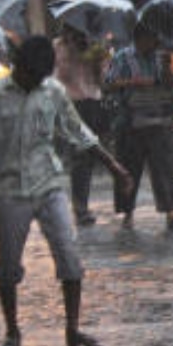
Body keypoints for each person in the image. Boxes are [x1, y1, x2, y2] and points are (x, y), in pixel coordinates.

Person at [0, 36, 131, 346]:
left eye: (40, 76)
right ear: (18, 66)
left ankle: (72, 330)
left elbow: (77, 130)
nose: (35, 82)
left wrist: (114, 166)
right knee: (8, 266)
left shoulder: (52, 91)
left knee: (69, 257)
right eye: (30, 76)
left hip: (48, 184)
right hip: (8, 190)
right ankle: (12, 332)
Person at [104, 22, 173, 231]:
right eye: (151, 39)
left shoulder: (161, 57)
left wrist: (167, 71)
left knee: (165, 168)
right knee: (129, 169)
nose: (155, 44)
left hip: (159, 119)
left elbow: (169, 86)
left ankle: (172, 213)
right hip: (131, 121)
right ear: (140, 39)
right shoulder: (123, 57)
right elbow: (108, 83)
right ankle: (127, 213)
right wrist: (134, 82)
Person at [53, 25, 109, 225]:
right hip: (69, 104)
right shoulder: (58, 47)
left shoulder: (95, 47)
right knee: (79, 156)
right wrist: (71, 54)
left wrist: (96, 62)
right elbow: (56, 77)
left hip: (92, 103)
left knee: (87, 156)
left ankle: (80, 205)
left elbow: (103, 80)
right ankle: (80, 207)